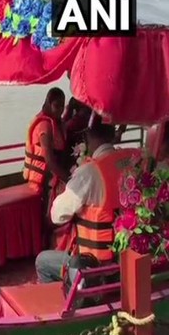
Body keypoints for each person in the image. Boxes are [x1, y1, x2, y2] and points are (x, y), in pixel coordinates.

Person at [35, 121, 138, 283]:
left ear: (88, 137)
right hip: (129, 259)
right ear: (112, 135)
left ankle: (60, 304)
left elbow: (57, 215)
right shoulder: (131, 159)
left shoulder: (89, 172)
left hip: (96, 268)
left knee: (43, 260)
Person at [23, 87, 71, 246]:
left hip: (53, 177)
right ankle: (46, 246)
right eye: (57, 106)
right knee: (50, 214)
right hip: (45, 181)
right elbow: (49, 160)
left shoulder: (56, 123)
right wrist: (69, 180)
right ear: (49, 103)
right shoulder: (44, 125)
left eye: (62, 107)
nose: (59, 111)